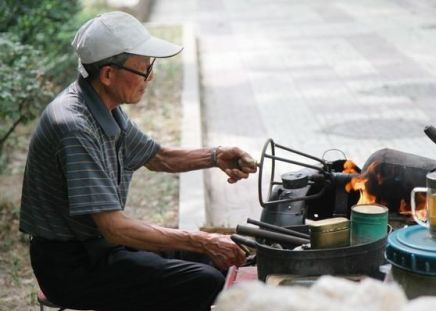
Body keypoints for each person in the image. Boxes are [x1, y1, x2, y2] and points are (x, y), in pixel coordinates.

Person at [19, 11, 257, 311]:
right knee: (204, 281)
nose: (151, 77)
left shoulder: (105, 107)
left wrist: (216, 155)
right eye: (144, 70)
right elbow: (114, 228)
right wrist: (202, 239)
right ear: (108, 74)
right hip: (71, 267)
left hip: (100, 248)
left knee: (219, 262)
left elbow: (159, 157)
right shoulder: (74, 126)